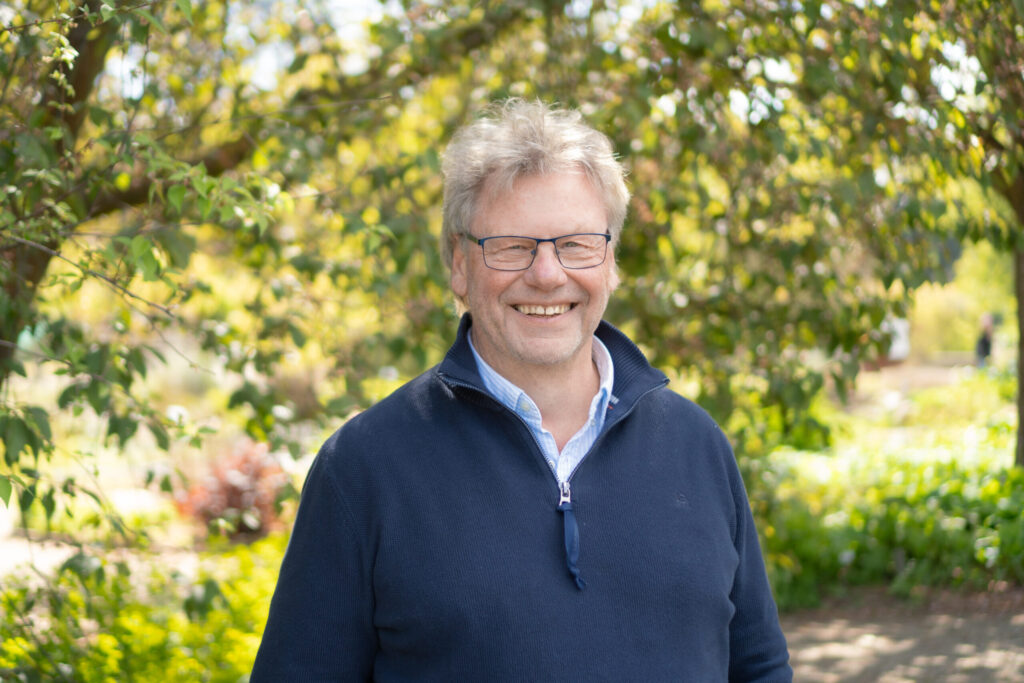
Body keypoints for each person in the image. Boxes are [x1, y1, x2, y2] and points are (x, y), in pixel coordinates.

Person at [251, 99, 792, 681]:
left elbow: (758, 666)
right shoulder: (363, 467)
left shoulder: (696, 444)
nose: (547, 274)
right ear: (459, 264)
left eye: (577, 243)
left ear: (610, 262)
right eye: (511, 245)